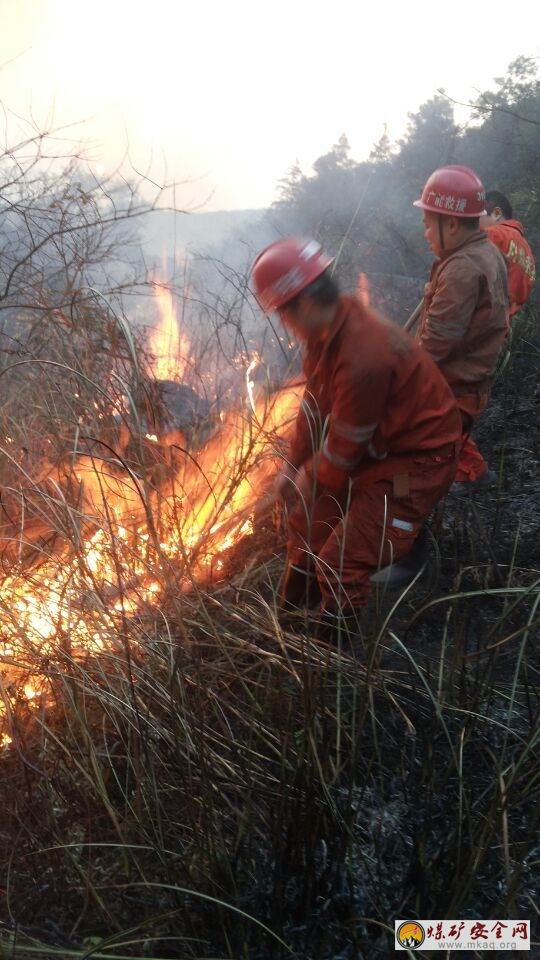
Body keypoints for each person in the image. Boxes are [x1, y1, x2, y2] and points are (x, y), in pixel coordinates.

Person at [251, 238, 462, 619]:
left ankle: (331, 661)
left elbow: (342, 452)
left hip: (416, 465)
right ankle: (288, 623)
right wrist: (290, 467)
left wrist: (307, 478)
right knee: (307, 524)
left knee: (340, 561)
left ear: (308, 303)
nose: (285, 323)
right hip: (381, 451)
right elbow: (314, 409)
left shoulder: (363, 355)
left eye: (284, 314)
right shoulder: (327, 332)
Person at [412, 165, 509, 492]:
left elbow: (435, 345)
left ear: (451, 224)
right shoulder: (487, 253)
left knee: (391, 452)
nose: (425, 234)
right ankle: (465, 475)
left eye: (428, 225)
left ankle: (406, 513)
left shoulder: (462, 269)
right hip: (470, 386)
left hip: (452, 392)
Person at [480, 191, 536, 323]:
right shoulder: (529, 257)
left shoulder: (494, 234)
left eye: (478, 217)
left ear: (496, 214)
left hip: (476, 323)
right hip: (499, 331)